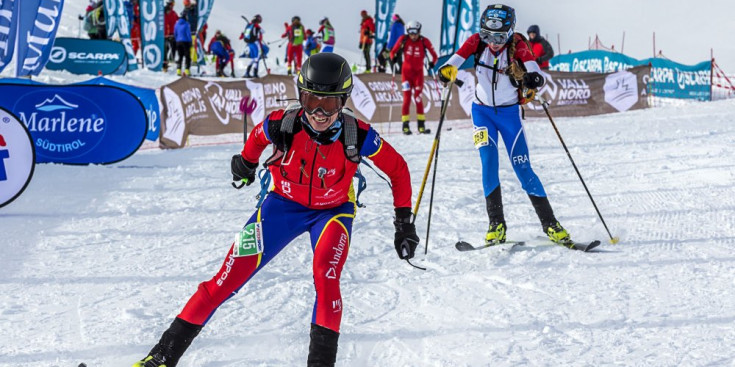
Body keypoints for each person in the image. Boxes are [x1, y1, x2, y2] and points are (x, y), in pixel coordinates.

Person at [131, 52, 419, 367]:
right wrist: (245, 163)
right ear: (301, 96)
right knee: (226, 279)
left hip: (333, 212)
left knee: (327, 277)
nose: (320, 113)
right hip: (281, 207)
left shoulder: (357, 134)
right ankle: (161, 357)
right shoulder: (284, 123)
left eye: (331, 103)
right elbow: (257, 137)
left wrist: (404, 222)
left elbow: (398, 169)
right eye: (311, 101)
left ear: (344, 101)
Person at [438, 4, 572, 246]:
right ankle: (496, 225)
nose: (494, 42)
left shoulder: (518, 44)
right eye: (488, 35)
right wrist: (446, 70)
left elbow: (533, 68)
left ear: (510, 33)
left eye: (500, 36)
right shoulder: (477, 42)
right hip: (482, 113)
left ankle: (550, 224)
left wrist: (534, 77)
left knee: (523, 169)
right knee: (489, 164)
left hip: (510, 115)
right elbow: (454, 60)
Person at [389, 20, 438, 135]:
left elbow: (435, 56)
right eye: (411, 33)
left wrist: (432, 63)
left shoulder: (424, 41)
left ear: (419, 32)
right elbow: (392, 52)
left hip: (418, 75)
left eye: (415, 33)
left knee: (418, 99)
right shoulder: (403, 39)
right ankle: (405, 126)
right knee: (406, 99)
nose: (413, 36)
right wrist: (393, 58)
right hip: (406, 74)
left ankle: (421, 126)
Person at [163, 0, 178, 72]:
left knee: (173, 46)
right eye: (172, 4)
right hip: (165, 34)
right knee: (165, 48)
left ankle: (170, 60)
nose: (173, 5)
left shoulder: (173, 13)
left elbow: (177, 20)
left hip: (172, 33)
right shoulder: (164, 11)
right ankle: (164, 64)